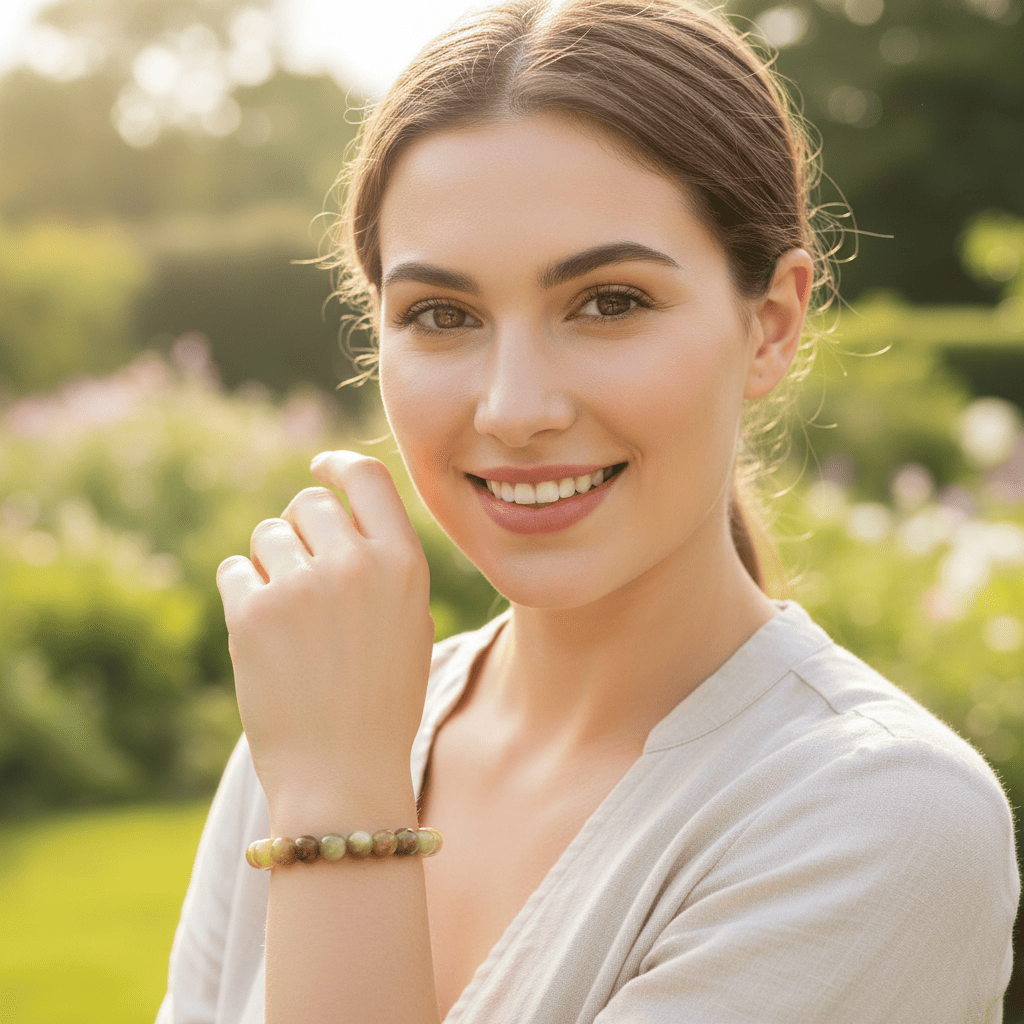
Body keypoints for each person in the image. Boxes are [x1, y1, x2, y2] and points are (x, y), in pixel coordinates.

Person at [155, 1, 1019, 1021]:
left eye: (608, 302)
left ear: (771, 325)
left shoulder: (880, 817)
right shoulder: (318, 726)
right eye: (442, 315)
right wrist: (329, 772)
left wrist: (345, 812)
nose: (515, 409)